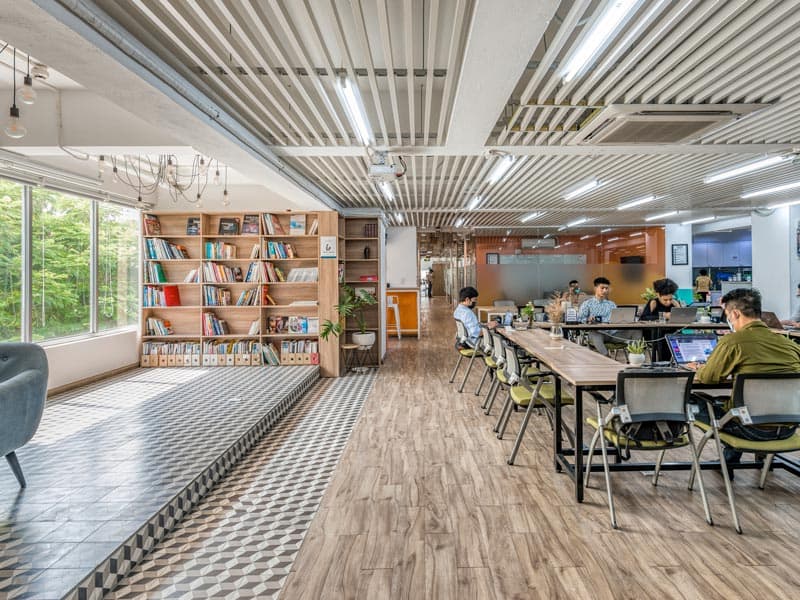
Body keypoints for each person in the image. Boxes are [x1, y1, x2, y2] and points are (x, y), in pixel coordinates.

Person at [686, 288, 800, 472]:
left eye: (727, 315)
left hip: (748, 429)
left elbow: (708, 378)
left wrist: (698, 368)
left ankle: (726, 464)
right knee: (737, 404)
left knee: (691, 400)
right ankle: (733, 461)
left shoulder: (733, 341)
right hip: (788, 428)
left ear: (735, 314)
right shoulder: (790, 345)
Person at [577, 276, 642, 357]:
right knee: (595, 334)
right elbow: (579, 319)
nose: (605, 290)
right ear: (595, 288)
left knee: (637, 331)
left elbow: (618, 318)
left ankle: (634, 356)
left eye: (606, 288)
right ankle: (607, 357)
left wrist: (627, 320)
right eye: (602, 288)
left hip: (614, 334)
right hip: (598, 333)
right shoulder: (587, 303)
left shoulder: (611, 304)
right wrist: (588, 320)